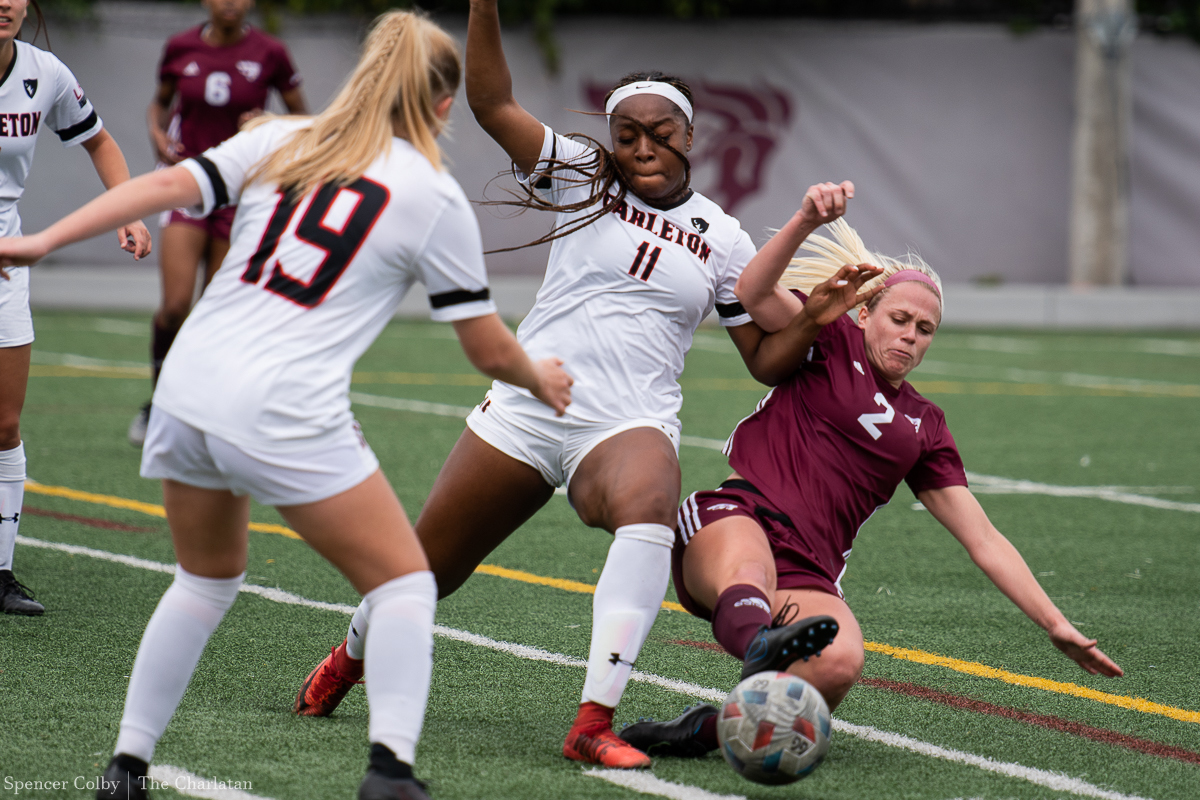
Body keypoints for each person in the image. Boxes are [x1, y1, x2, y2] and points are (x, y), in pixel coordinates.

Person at [0, 10, 572, 799]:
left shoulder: (281, 137)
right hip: (281, 404)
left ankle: (126, 766)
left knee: (203, 580)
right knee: (403, 586)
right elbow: (484, 347)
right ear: (443, 105)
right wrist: (541, 377)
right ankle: (390, 773)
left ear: (366, 75)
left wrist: (39, 242)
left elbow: (168, 185)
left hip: (189, 387)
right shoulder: (433, 193)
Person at [291, 0, 844, 771]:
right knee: (426, 573)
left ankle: (592, 719)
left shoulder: (723, 236)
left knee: (651, 505)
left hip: (627, 423)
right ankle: (349, 656)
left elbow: (764, 358)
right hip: (528, 406)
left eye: (661, 132)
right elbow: (490, 103)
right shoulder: (580, 175)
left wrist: (814, 318)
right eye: (628, 133)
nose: (643, 146)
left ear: (692, 136)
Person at [616, 186, 1124, 759]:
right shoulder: (829, 339)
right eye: (900, 319)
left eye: (924, 329)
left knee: (838, 663)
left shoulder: (925, 427)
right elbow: (750, 290)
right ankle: (761, 645)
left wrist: (1055, 623)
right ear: (865, 314)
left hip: (810, 566)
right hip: (737, 517)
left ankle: (707, 727)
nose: (909, 335)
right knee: (749, 570)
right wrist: (806, 220)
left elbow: (982, 538)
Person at [0, 0, 152, 616]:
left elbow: (102, 140)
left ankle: (1, 572)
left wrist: (130, 209)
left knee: (4, 425)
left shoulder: (46, 74)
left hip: (5, 267)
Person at [128, 0, 307, 447]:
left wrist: (267, 124)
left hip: (241, 195)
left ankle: (204, 410)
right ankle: (158, 404)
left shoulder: (271, 53)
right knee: (174, 307)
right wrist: (156, 132)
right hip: (188, 187)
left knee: (215, 313)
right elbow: (160, 105)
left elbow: (304, 120)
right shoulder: (180, 47)